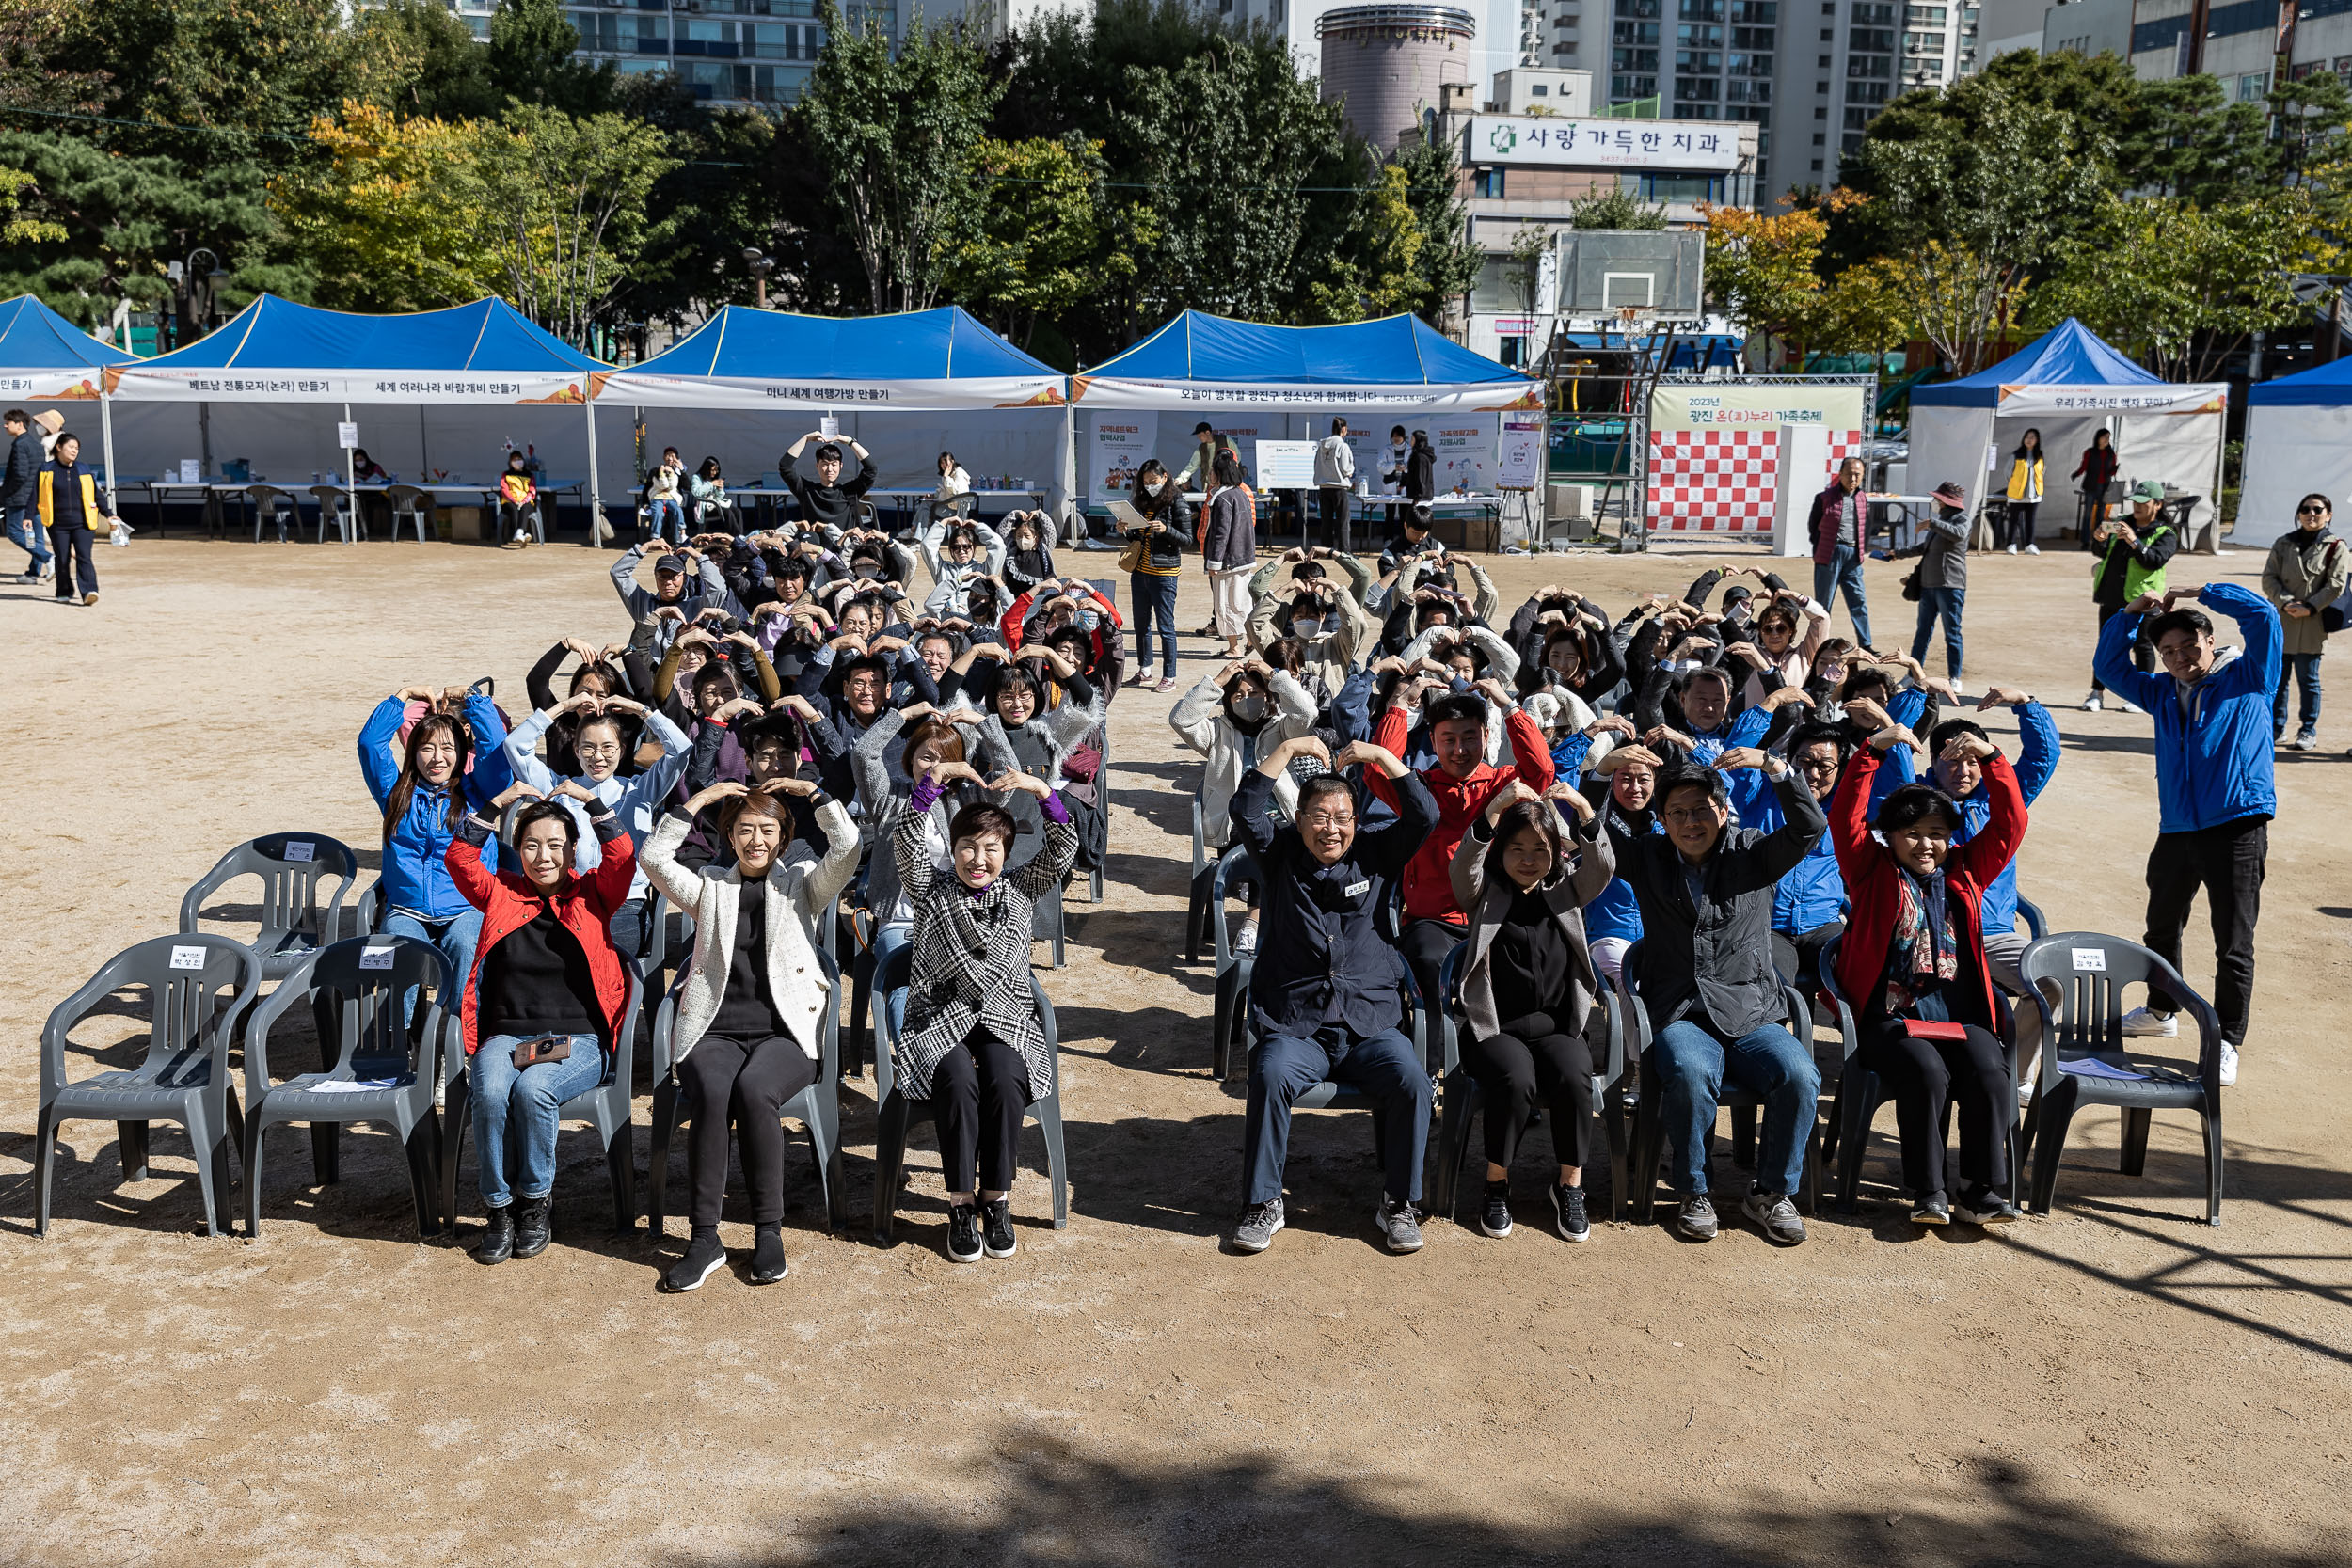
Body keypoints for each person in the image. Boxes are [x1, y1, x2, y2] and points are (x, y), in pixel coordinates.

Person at [640, 776, 860, 1291]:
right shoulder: (710, 887)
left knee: (754, 1090)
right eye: (744, 830)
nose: (756, 840)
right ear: (730, 836)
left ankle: (768, 1229)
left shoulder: (802, 883)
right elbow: (652, 859)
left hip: (783, 1032)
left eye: (767, 830)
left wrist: (814, 795)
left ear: (782, 838)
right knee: (714, 1090)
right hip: (714, 1029)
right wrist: (698, 801)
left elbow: (847, 848)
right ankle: (704, 1238)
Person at [1230, 735, 1442, 1256]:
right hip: (1298, 1023)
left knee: (1412, 1079)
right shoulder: (1277, 856)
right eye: (1320, 817)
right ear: (1298, 818)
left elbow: (1424, 817)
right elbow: (1246, 807)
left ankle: (1399, 1202)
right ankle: (1263, 1202)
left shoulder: (1374, 854)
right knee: (1271, 1072)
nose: (1333, 828)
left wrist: (1381, 759)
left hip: (1370, 1023)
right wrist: (1288, 746)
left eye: (1343, 817)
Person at [1605, 754, 1826, 1245]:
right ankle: (1694, 1191)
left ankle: (1770, 1192)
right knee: (1689, 1069)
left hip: (1750, 1011)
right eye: (1677, 813)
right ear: (1662, 821)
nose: (1690, 822)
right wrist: (1603, 772)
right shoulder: (1647, 856)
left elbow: (1809, 826)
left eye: (1701, 809)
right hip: (1680, 1011)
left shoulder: (1752, 852)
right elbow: (1595, 838)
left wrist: (1776, 768)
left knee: (1799, 1074)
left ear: (1723, 811)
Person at [1829, 721, 2026, 1226]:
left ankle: (1980, 1188)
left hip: (1959, 1016)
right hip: (1890, 1018)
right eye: (1911, 834)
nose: (1925, 845)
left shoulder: (1965, 871)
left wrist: (1992, 759)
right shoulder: (1870, 871)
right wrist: (1871, 751)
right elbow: (1845, 817)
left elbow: (2011, 825)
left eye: (1936, 835)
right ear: (1889, 837)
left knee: (1988, 1066)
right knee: (1926, 1069)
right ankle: (1928, 1191)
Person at [890, 758, 1078, 1264]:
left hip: (1005, 1015)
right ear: (951, 852)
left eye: (990, 849)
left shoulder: (1019, 889)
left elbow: (1064, 849)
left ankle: (995, 1197)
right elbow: (906, 841)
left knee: (1005, 1075)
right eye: (967, 848)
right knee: (956, 1081)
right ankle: (959, 1201)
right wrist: (930, 783)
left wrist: (1043, 791)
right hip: (940, 1016)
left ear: (1006, 853)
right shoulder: (931, 890)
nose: (978, 859)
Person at [2094, 583, 2280, 1085]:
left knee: (2233, 943)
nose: (2178, 657)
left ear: (2210, 639)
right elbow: (2110, 669)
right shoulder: (2158, 691)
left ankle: (2226, 1040)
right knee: (2160, 928)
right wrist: (2130, 614)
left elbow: (2263, 614)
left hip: (2237, 826)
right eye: (2167, 651)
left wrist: (2204, 591)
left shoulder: (2250, 676)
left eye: (2188, 646)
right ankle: (2161, 1012)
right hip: (2177, 828)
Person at [446, 780, 638, 1265]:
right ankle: (498, 1207)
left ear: (573, 849)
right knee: (488, 1090)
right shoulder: (501, 894)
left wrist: (592, 803)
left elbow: (622, 857)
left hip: (580, 1038)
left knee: (535, 1090)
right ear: (517, 850)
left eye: (555, 844)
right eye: (531, 845)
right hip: (507, 1035)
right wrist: (497, 803)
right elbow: (461, 860)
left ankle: (535, 1202)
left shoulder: (594, 894)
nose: (543, 855)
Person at [1449, 780, 1616, 1243]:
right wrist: (1492, 812)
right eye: (1517, 848)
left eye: (1539, 850)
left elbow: (1602, 865)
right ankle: (1497, 1182)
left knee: (1574, 1070)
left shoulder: (1565, 891)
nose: (1528, 859)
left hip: (1556, 1027)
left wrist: (1583, 809)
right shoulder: (1486, 894)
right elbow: (1464, 867)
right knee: (1516, 1075)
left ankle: (1569, 1185)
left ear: (1556, 853)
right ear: (1501, 850)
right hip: (1495, 1029)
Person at [1372, 682, 1556, 1011]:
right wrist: (1399, 708)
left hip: (1495, 914)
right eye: (1449, 740)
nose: (1460, 750)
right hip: (1430, 919)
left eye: (1470, 738)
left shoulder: (1504, 785)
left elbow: (1542, 770)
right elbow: (1377, 770)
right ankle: (1436, 1047)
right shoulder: (1420, 789)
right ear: (1433, 742)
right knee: (1427, 961)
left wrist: (1508, 707)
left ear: (1486, 737)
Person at [358, 686, 514, 1021]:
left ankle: (462, 1043)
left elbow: (499, 751)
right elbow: (370, 744)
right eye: (426, 748)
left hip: (466, 907)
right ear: (413, 753)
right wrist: (400, 697)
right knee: (399, 951)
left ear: (461, 751)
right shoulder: (395, 793)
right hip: (408, 909)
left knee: (464, 943)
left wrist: (474, 699)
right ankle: (396, 1048)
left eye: (447, 747)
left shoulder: (479, 790)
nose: (437, 758)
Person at [502, 690, 693, 961]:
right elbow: (515, 746)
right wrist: (565, 707)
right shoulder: (560, 789)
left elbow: (681, 749)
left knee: (600, 961)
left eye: (607, 747)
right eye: (588, 747)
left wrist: (640, 709)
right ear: (576, 750)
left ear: (622, 750)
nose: (598, 757)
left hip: (625, 905)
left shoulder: (639, 791)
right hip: (568, 899)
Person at [2261, 493, 2346, 752]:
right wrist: (2286, 603)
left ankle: (2307, 730)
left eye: (2318, 509)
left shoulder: (2336, 546)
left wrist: (2309, 607)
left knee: (2308, 680)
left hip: (2312, 622)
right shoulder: (2283, 543)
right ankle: (2276, 728)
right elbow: (2269, 578)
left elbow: (2337, 584)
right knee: (2278, 679)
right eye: (2306, 509)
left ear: (2328, 515)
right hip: (2284, 620)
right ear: (2298, 514)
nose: (2312, 514)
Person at [2083, 480, 2175, 713]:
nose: (2137, 506)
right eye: (2135, 501)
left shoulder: (2166, 533)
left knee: (2143, 645)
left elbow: (2154, 560)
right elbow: (2101, 552)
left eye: (2144, 503)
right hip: (2112, 594)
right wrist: (2099, 538)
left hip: (2144, 599)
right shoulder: (2119, 523)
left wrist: (2135, 541)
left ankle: (2140, 696)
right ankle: (2096, 693)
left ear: (2157, 505)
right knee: (2106, 643)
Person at [1121, 458, 1187, 693]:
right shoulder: (1140, 501)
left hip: (1165, 573)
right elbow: (1137, 539)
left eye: (1154, 481)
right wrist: (1126, 530)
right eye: (1146, 481)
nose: (1150, 485)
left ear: (1165, 478)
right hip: (1140, 572)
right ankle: (1145, 671)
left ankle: (1169, 675)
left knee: (1166, 626)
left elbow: (1187, 539)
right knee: (1141, 625)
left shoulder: (1176, 502)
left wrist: (1166, 529)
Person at [37, 432, 119, 609]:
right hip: (57, 523)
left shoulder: (83, 469)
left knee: (84, 556)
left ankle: (89, 591)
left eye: (77, 448)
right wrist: (28, 517)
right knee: (62, 558)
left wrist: (108, 513)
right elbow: (35, 495)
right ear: (59, 448)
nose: (75, 451)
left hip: (83, 522)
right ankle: (64, 591)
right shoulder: (46, 469)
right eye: (71, 447)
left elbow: (97, 495)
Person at [1906, 480, 1971, 688]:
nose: (1934, 502)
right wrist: (1895, 554)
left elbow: (1958, 534)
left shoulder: (1962, 519)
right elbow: (1924, 548)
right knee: (1922, 633)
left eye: (1937, 499)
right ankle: (1912, 675)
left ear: (1944, 502)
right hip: (1928, 586)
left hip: (1951, 586)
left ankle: (1955, 678)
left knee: (1952, 633)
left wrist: (1932, 523)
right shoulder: (1939, 522)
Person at [1806, 454, 1873, 648]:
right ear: (1840, 474)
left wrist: (1861, 550)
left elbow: (1866, 526)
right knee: (1823, 604)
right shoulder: (1824, 498)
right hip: (1830, 554)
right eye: (1849, 474)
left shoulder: (1862, 498)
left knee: (1858, 601)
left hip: (1853, 556)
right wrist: (1822, 547)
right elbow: (1814, 526)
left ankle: (1866, 643)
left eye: (1857, 475)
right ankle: (1820, 643)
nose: (1853, 479)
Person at [1201, 449, 1256, 659]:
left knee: (1227, 603)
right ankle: (1249, 639)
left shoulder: (1222, 497)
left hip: (1227, 561)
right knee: (1242, 602)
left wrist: (1213, 563)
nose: (1210, 476)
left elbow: (1219, 534)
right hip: (1244, 558)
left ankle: (1234, 647)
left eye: (1212, 472)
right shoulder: (1241, 493)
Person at [779, 430, 876, 533]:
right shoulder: (806, 491)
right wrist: (805, 439)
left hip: (845, 547)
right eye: (825, 464)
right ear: (817, 466)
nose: (830, 469)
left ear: (840, 466)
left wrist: (850, 442)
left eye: (834, 465)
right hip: (814, 547)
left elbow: (871, 469)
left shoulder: (849, 492)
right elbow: (785, 466)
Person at [5, 408, 53, 583]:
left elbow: (19, 475)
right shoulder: (37, 445)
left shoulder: (20, 444)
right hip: (36, 495)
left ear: (19, 425)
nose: (5, 425)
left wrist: (5, 493)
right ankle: (33, 573)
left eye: (8, 422)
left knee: (14, 532)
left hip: (20, 497)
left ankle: (48, 557)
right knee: (35, 536)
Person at [1314, 417, 1355, 553]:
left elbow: (1316, 465)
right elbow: (1346, 467)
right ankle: (1344, 551)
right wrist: (1350, 471)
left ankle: (1326, 550)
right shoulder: (1342, 445)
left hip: (1324, 486)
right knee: (1343, 521)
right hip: (1339, 487)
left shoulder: (1322, 445)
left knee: (1326, 521)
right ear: (1343, 429)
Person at [2073, 429, 2119, 548]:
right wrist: (2076, 474)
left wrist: (2115, 470)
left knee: (2100, 516)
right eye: (2104, 437)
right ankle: (2085, 541)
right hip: (2091, 486)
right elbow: (2084, 466)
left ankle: (2098, 540)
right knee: (2087, 514)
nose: (2106, 440)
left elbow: (2111, 471)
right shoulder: (2090, 452)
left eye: (2108, 437)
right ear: (2098, 438)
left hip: (2104, 488)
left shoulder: (2111, 454)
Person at [2002, 429, 2044, 555]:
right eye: (2027, 437)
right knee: (2014, 520)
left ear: (2037, 440)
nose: (2029, 440)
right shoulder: (2016, 455)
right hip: (2017, 495)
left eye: (2032, 437)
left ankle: (2029, 544)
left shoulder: (2039, 456)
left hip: (2034, 495)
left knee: (2030, 520)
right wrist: (2015, 484)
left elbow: (2042, 472)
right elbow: (2007, 473)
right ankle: (2011, 544)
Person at [500, 451, 541, 546]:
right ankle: (523, 533)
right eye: (514, 460)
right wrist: (514, 500)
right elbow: (504, 489)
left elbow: (532, 490)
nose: (517, 461)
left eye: (519, 459)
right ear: (510, 462)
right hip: (509, 501)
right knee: (514, 509)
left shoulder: (529, 475)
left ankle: (519, 534)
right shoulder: (506, 474)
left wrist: (524, 501)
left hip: (525, 501)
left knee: (526, 507)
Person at [928, 451, 971, 528]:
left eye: (946, 463)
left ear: (952, 461)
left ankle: (915, 532)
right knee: (926, 505)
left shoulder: (958, 474)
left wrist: (946, 478)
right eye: (941, 463)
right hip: (950, 506)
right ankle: (916, 532)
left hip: (958, 511)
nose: (944, 466)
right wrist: (933, 495)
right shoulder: (949, 474)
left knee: (927, 508)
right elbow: (944, 490)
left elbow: (956, 492)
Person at [688, 456, 730, 534]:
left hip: (714, 505)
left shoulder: (712, 478)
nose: (715, 473)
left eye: (716, 470)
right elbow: (696, 492)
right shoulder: (697, 478)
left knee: (737, 511)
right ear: (706, 469)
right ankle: (735, 535)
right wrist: (711, 484)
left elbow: (718, 498)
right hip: (704, 508)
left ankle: (739, 535)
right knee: (728, 512)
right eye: (713, 470)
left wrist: (720, 489)